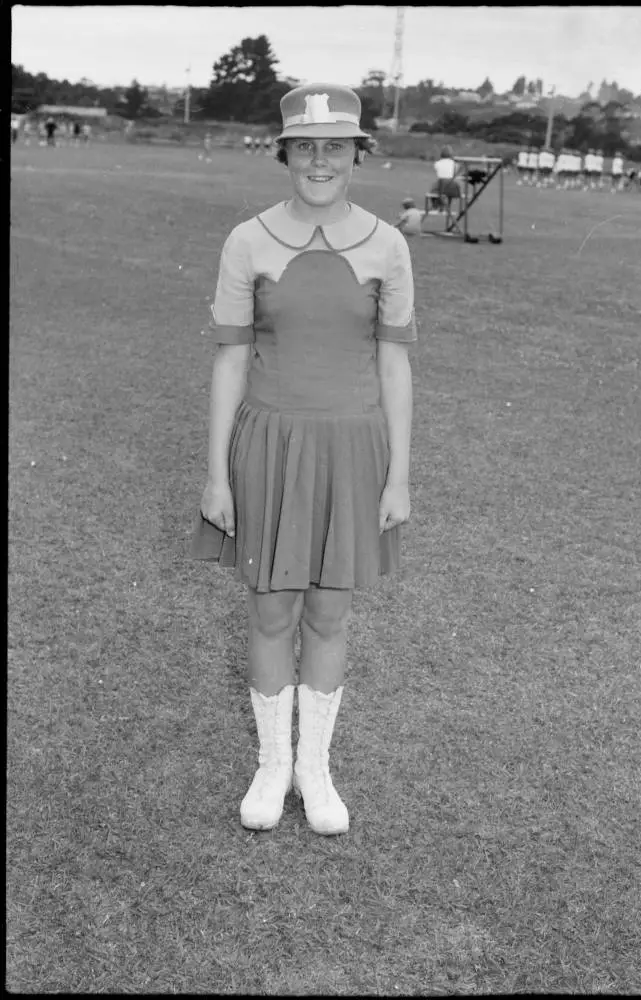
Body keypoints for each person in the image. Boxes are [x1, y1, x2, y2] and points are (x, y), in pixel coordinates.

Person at [192, 83, 416, 837]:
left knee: (329, 612)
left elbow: (393, 364)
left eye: (336, 146)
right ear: (284, 153)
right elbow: (229, 361)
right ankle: (271, 765)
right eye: (306, 146)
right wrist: (216, 472)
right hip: (269, 443)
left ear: (358, 153)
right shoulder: (245, 239)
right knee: (270, 608)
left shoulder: (388, 243)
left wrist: (400, 474)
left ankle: (315, 769)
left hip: (353, 446)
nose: (320, 161)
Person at [428, 145, 462, 225]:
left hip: (441, 183)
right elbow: (456, 173)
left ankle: (437, 205)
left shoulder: (437, 163)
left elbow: (437, 171)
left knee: (433, 191)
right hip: (452, 184)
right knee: (449, 193)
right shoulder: (455, 164)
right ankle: (447, 206)